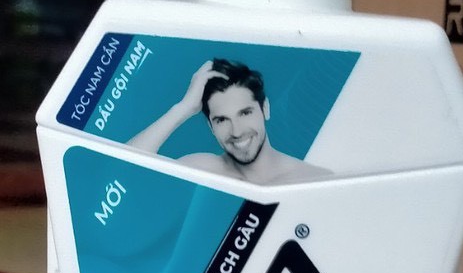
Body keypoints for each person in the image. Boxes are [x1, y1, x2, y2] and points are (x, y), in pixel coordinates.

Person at [128, 58, 329, 184]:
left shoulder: (313, 179)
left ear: (265, 109)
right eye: (222, 120)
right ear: (211, 126)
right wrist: (183, 108)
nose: (236, 131)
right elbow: (123, 171)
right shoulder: (202, 170)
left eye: (245, 113)